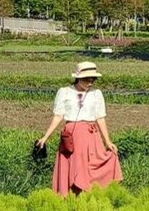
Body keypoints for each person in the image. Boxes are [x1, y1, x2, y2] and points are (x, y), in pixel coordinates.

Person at [35, 61, 123, 196]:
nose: (90, 82)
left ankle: (91, 196)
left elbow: (100, 118)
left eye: (93, 79)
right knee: (74, 166)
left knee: (94, 164)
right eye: (87, 79)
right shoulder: (64, 92)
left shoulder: (96, 94)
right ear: (78, 78)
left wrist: (108, 141)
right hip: (72, 136)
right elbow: (58, 116)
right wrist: (45, 137)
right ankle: (72, 196)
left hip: (91, 136)